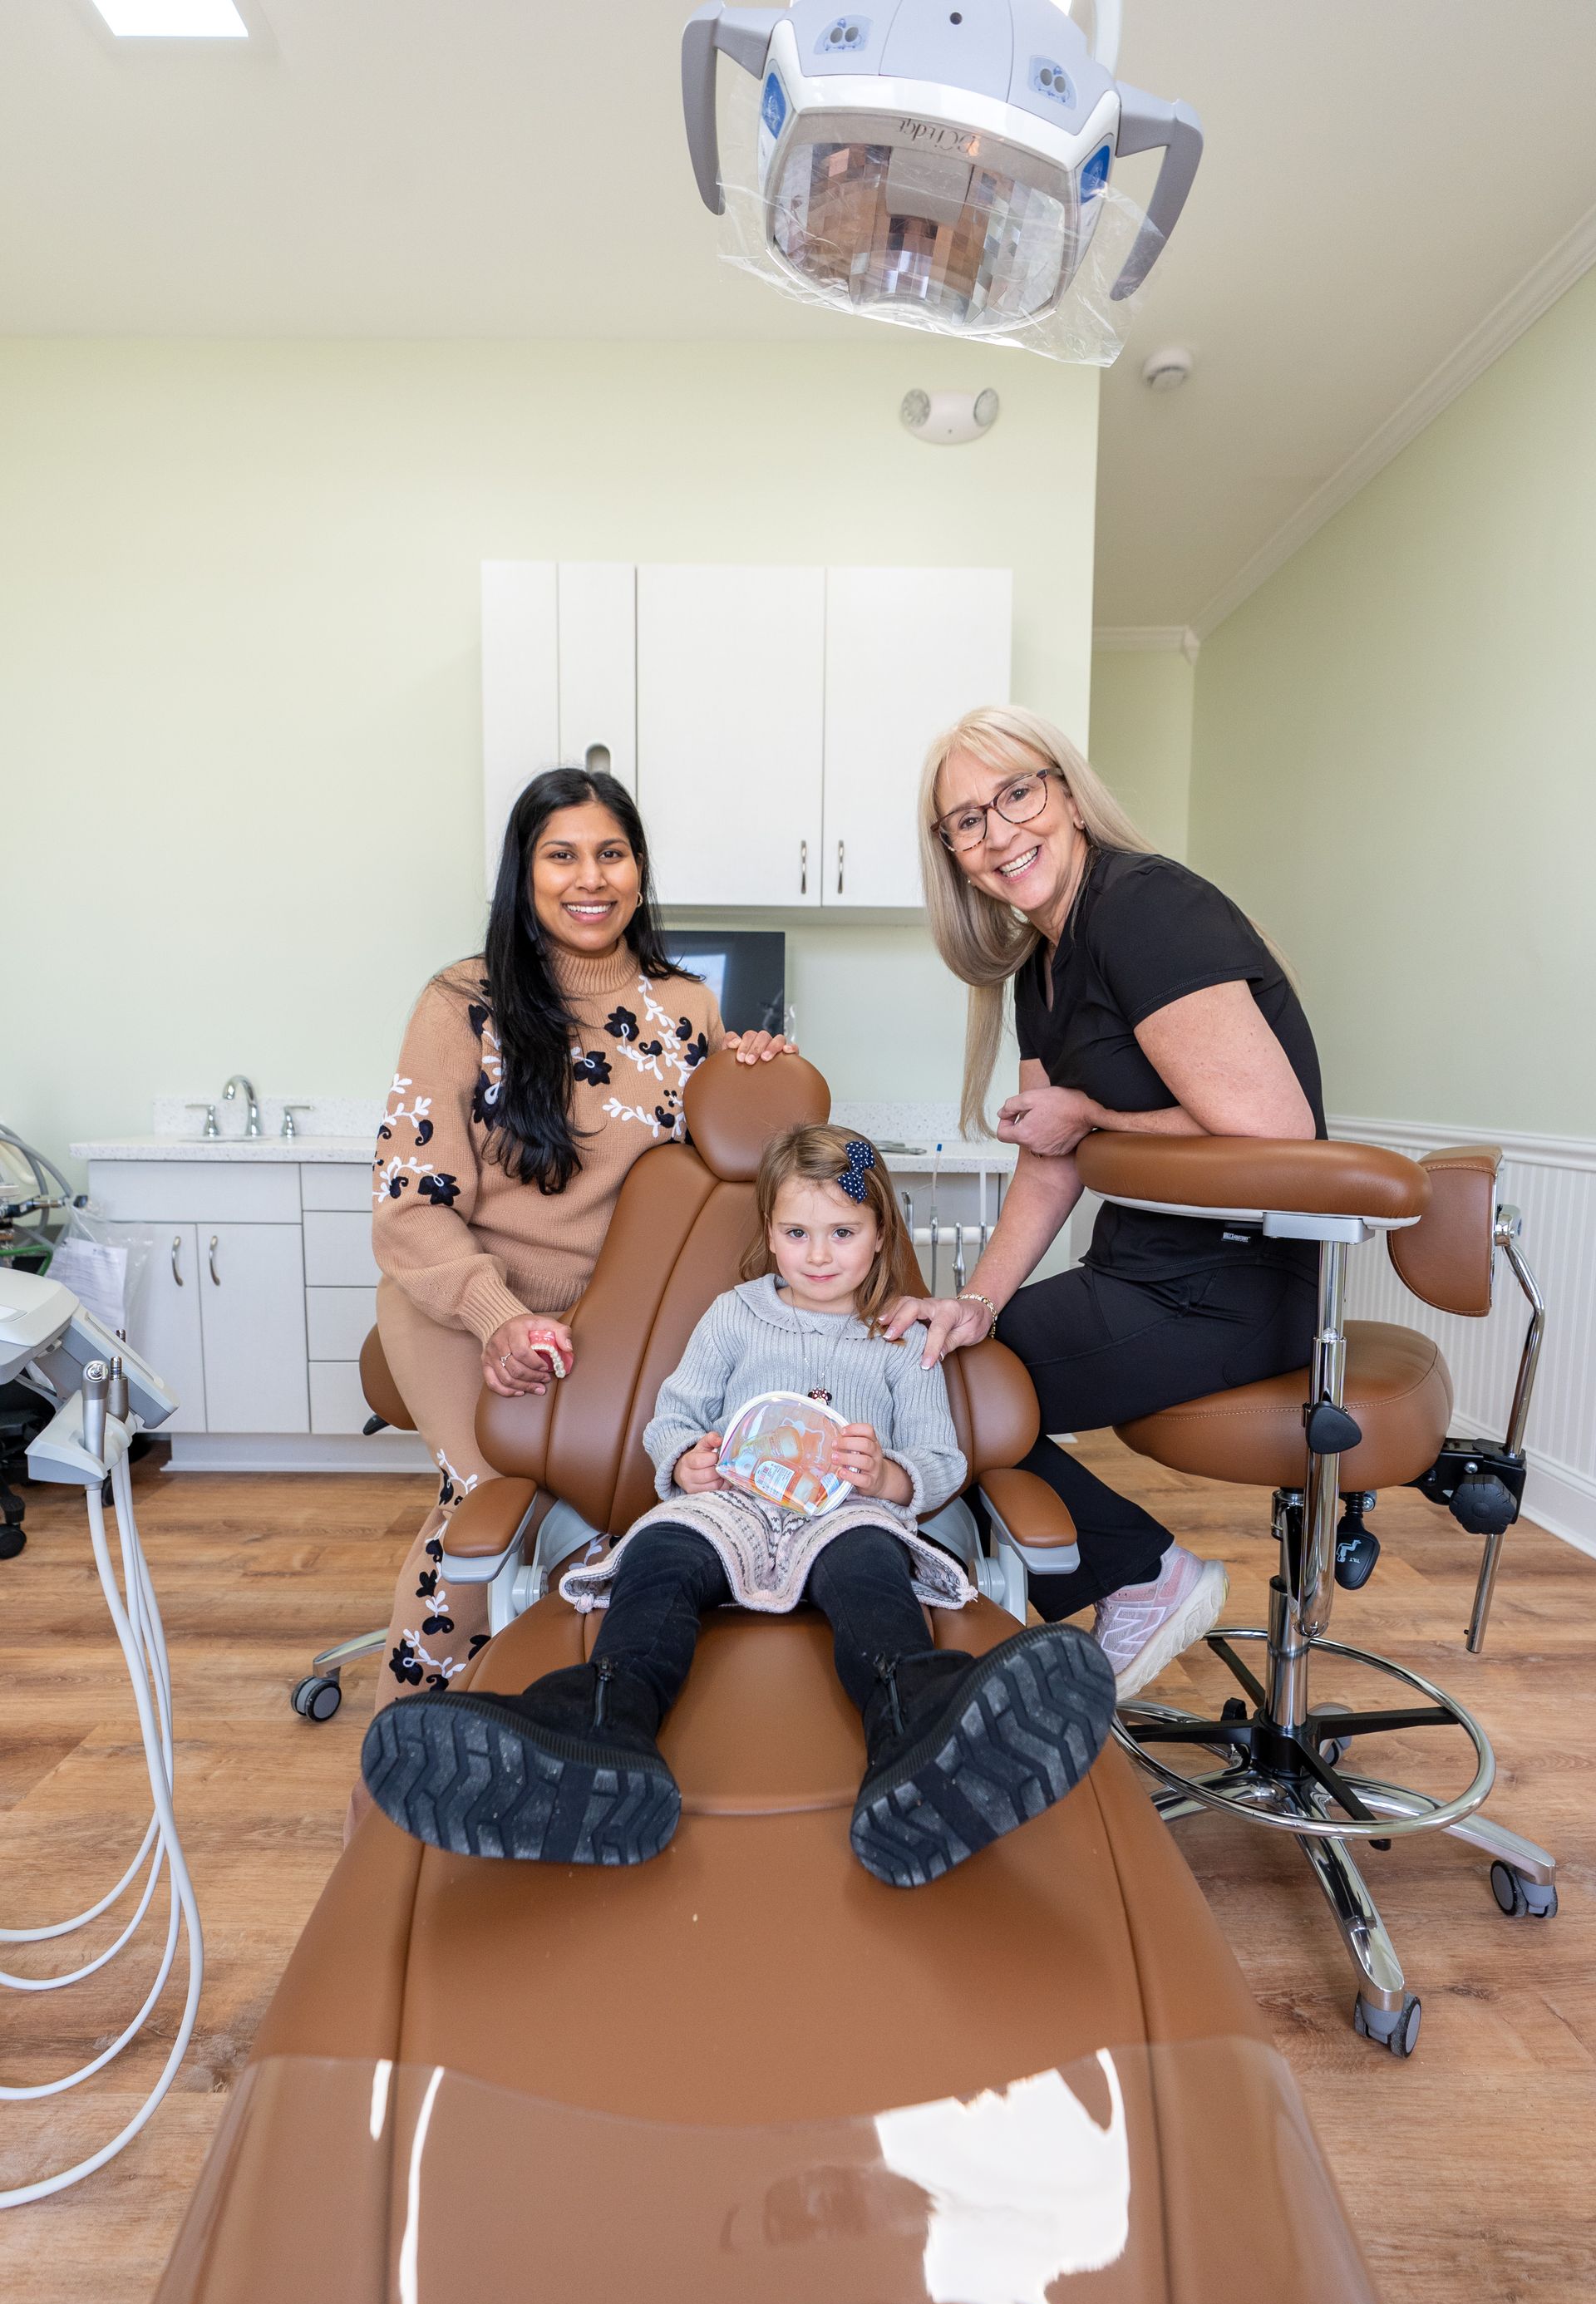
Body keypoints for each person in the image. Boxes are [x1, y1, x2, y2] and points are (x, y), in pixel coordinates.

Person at [360, 1123, 1116, 1886]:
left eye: (843, 1232)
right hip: (732, 1505)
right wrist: (685, 1462)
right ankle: (597, 1735)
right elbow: (673, 1416)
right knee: (660, 1558)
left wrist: (888, 1477)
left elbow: (940, 1456)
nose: (819, 1255)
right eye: (797, 1232)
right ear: (770, 1234)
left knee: (868, 1572)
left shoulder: (901, 1335)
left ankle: (922, 1737)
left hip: (843, 1513)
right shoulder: (734, 1314)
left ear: (882, 1232)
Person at [883, 704, 1325, 1701]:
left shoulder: (1144, 908)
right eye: (966, 821)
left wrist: (1087, 1113)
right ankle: (1107, 1580)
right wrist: (976, 1304)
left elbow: (1276, 1134)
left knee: (938, 1395)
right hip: (1148, 1276)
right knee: (937, 1361)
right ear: (953, 856)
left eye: (1016, 794)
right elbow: (1053, 1156)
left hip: (1233, 1286)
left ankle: (1142, 1574)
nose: (998, 833)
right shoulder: (1044, 959)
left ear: (1069, 796)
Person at [369, 765, 792, 1712]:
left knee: (635, 1519)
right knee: (491, 1513)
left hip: (613, 1324)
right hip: (465, 1302)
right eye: (561, 856)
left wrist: (765, 1073)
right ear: (525, 875)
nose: (589, 878)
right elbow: (408, 1202)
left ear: (639, 870)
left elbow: (784, 1177)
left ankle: (569, 1721)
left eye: (612, 853)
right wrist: (498, 1319)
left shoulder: (689, 1011)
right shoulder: (461, 1003)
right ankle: (409, 1741)